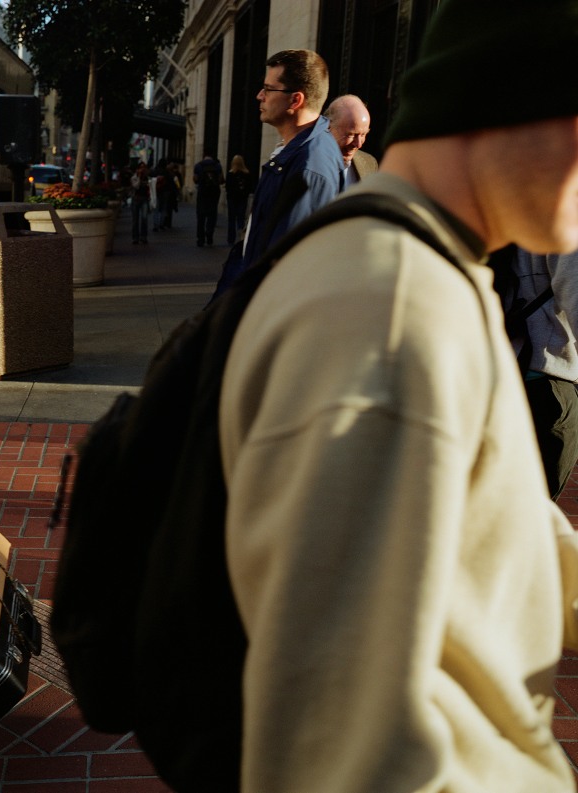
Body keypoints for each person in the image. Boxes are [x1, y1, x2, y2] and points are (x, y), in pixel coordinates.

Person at [219, 2, 578, 791]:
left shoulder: (435, 272)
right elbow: (336, 742)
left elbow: (487, 508)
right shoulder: (396, 312)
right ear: (507, 101)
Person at [212, 49, 342, 295]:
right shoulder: (299, 151)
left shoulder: (308, 166)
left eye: (269, 89)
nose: (259, 95)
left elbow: (283, 268)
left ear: (296, 100)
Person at [500, 248, 578, 501]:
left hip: (482, 380)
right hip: (543, 384)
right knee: (533, 514)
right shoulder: (562, 218)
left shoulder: (481, 213)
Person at [326, 94, 377, 189]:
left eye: (363, 135)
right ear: (328, 127)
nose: (358, 144)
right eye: (351, 135)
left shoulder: (369, 164)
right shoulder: (308, 163)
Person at [193, 149, 223, 246]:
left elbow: (195, 179)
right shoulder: (217, 166)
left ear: (204, 155)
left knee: (201, 217)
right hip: (213, 194)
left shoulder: (198, 165)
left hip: (202, 193)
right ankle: (209, 235)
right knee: (212, 215)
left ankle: (200, 239)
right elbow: (221, 179)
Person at [224, 155, 254, 245]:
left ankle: (231, 238)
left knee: (231, 219)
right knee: (241, 218)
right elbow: (249, 187)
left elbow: (227, 187)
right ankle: (241, 237)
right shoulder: (247, 174)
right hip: (242, 198)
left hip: (232, 199)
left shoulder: (230, 174)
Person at [130, 161, 151, 244]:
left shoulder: (148, 178)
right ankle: (135, 238)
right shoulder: (134, 177)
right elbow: (136, 186)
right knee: (135, 220)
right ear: (137, 169)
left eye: (144, 167)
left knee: (144, 218)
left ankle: (143, 237)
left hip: (144, 199)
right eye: (141, 167)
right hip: (136, 199)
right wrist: (139, 177)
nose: (142, 169)